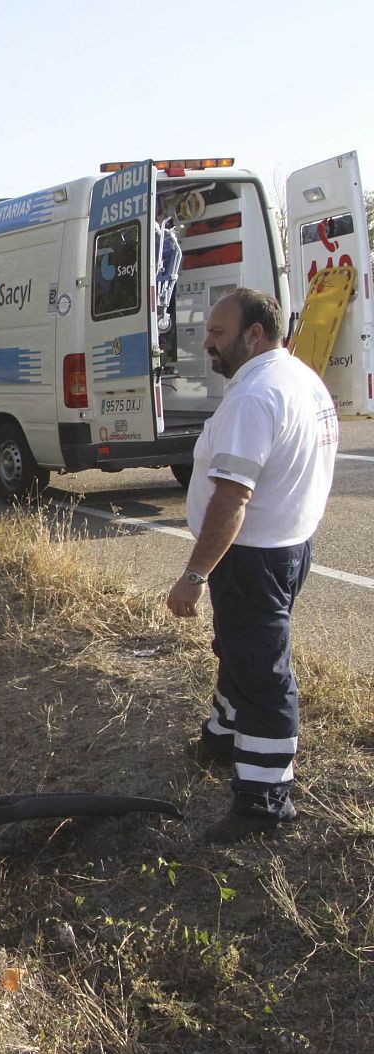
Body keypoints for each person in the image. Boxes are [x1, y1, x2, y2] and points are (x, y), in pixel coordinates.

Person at [165, 289, 338, 840]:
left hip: (254, 557)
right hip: (286, 547)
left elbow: (232, 499)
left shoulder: (255, 397)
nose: (208, 344)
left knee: (264, 675)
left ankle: (264, 801)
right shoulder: (300, 378)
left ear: (254, 334)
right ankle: (221, 739)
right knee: (238, 649)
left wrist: (194, 576)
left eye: (218, 333)